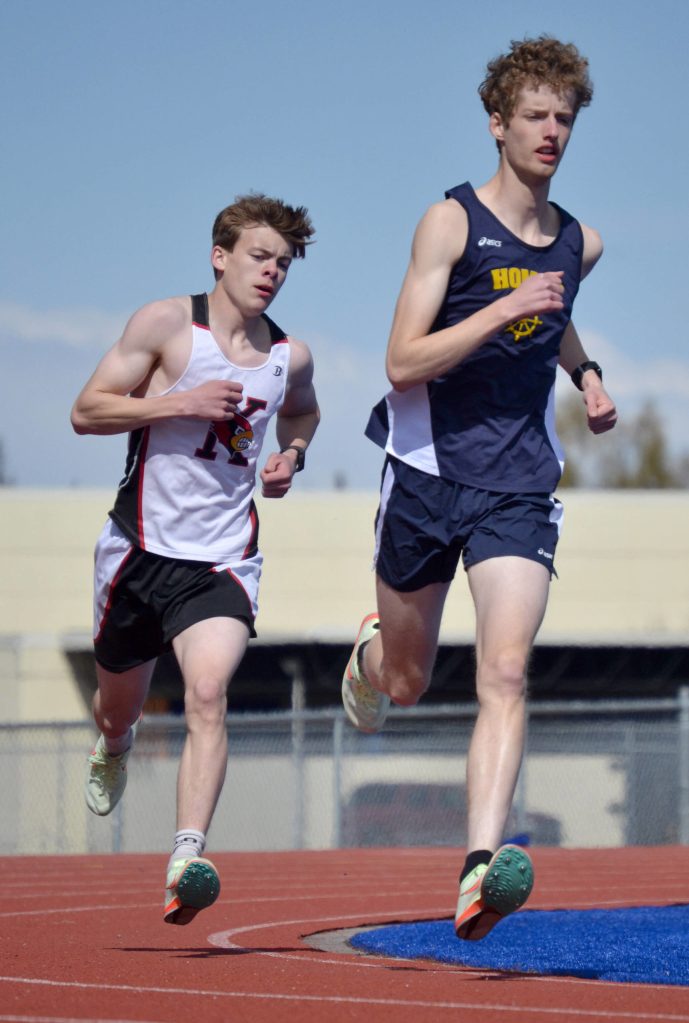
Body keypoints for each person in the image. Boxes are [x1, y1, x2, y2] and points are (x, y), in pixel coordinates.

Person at [342, 36, 617, 941]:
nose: (551, 132)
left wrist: (585, 375)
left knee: (505, 668)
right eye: (534, 116)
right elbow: (399, 359)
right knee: (413, 680)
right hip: (425, 473)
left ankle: (476, 867)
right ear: (496, 125)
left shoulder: (581, 241)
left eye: (564, 118)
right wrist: (500, 308)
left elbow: (559, 308)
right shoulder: (448, 223)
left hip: (516, 484)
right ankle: (374, 656)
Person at [71, 193, 319, 925]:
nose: (270, 272)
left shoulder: (287, 355)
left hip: (222, 558)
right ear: (220, 256)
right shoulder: (167, 326)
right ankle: (115, 741)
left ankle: (186, 857)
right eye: (257, 256)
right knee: (116, 704)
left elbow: (303, 407)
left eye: (282, 262)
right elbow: (86, 410)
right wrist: (177, 403)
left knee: (208, 691)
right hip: (139, 551)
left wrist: (292, 455)